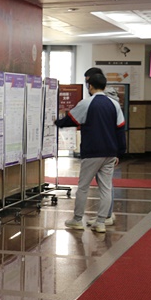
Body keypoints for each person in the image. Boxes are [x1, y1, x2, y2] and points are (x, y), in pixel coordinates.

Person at [55, 72, 125, 233]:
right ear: (104, 86)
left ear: (90, 86)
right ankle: (101, 222)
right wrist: (120, 153)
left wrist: (56, 122)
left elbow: (70, 120)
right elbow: (121, 129)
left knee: (83, 187)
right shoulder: (114, 104)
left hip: (92, 152)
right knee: (106, 188)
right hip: (110, 152)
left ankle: (77, 220)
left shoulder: (86, 103)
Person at [82, 67, 121, 227]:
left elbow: (115, 127)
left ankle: (106, 216)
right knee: (105, 185)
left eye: (88, 81)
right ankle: (104, 216)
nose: (87, 84)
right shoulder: (107, 98)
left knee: (105, 185)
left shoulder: (106, 99)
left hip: (104, 148)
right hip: (107, 147)